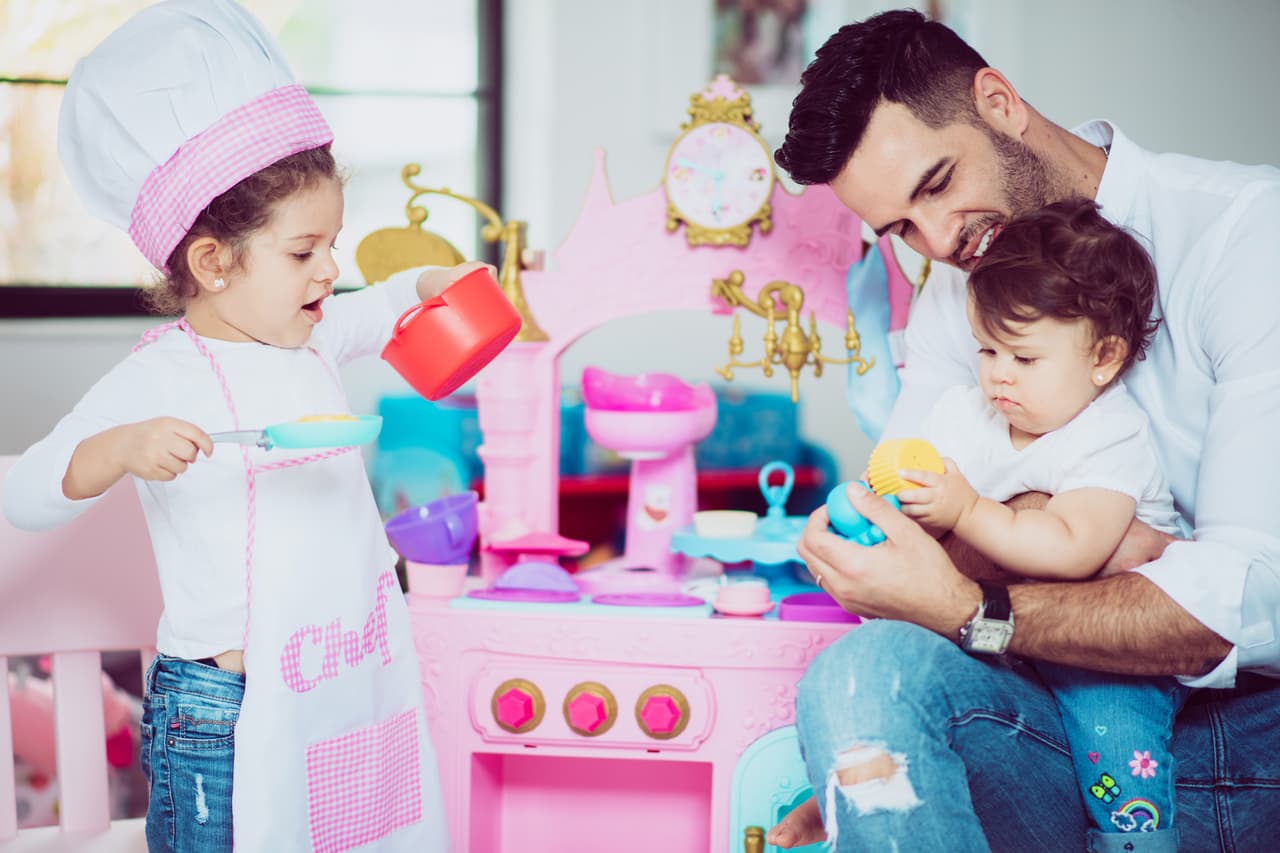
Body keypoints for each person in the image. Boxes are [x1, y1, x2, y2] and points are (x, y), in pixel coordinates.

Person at [763, 8, 1280, 853]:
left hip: (1254, 741)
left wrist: (978, 601)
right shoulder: (953, 301)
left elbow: (1248, 601)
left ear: (998, 102)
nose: (938, 243)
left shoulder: (1243, 233)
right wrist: (1079, 533)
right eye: (899, 228)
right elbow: (902, 549)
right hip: (1057, 726)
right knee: (859, 677)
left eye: (935, 186)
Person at [1, 2, 479, 850]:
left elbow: (390, 307)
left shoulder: (314, 333)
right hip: (220, 710)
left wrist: (439, 280)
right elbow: (25, 490)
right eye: (304, 251)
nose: (331, 268)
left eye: (333, 243)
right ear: (213, 262)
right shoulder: (158, 375)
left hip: (335, 683)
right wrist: (120, 448)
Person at [898, 197, 1187, 841]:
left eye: (1024, 359)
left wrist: (967, 509)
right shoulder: (966, 413)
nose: (998, 376)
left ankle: (1135, 837)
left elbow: (1072, 549)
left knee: (1117, 749)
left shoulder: (1110, 434)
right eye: (986, 350)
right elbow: (918, 492)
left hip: (1108, 647)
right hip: (1009, 637)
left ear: (1104, 358)